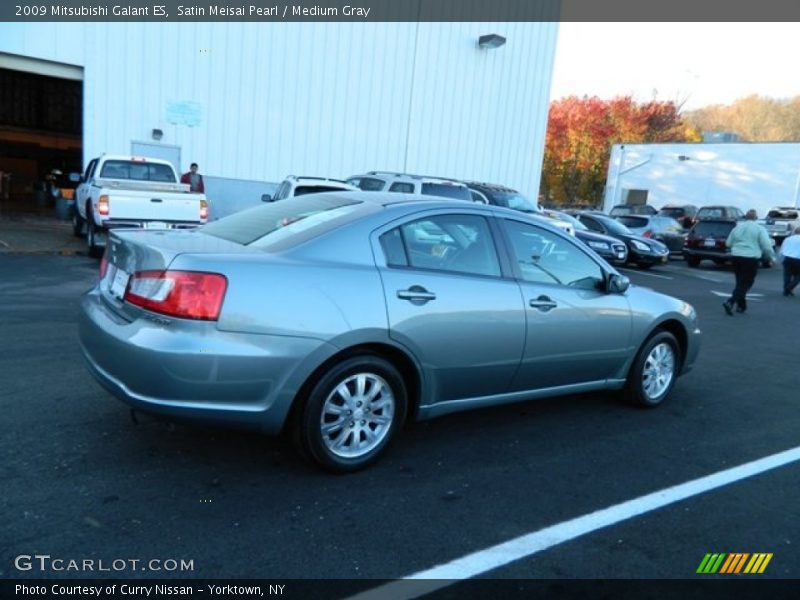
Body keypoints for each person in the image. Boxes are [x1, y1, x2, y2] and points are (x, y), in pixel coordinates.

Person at [722, 209, 776, 315]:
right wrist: (771, 258)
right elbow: (766, 246)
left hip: (736, 257)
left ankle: (741, 306)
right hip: (750, 258)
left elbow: (728, 243)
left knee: (740, 282)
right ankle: (730, 301)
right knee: (746, 283)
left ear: (745, 217)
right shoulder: (759, 229)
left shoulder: (737, 228)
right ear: (756, 218)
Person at [779, 226, 800, 297]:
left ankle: (786, 290)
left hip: (787, 258)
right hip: (798, 259)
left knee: (787, 275)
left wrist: (781, 259)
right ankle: (789, 287)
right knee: (798, 276)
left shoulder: (787, 239)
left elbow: (781, 250)